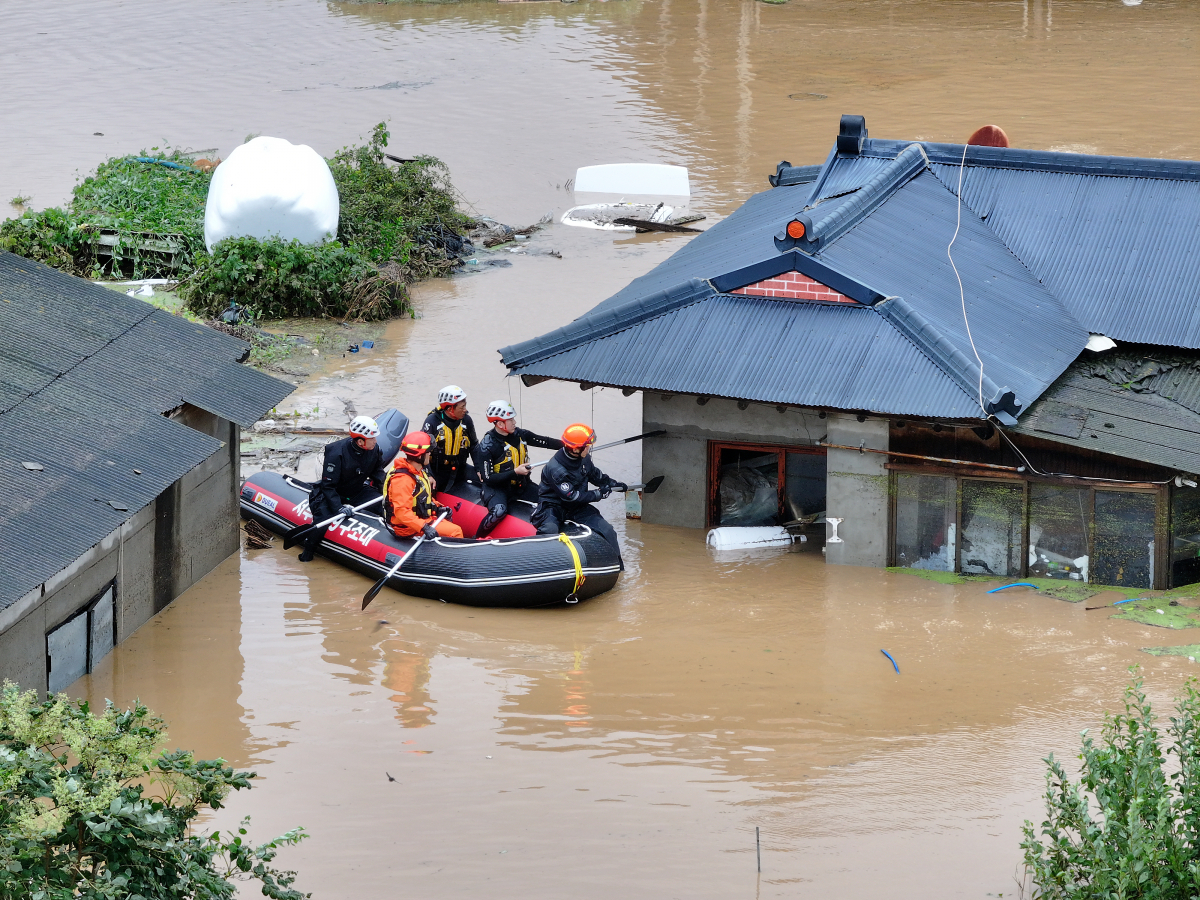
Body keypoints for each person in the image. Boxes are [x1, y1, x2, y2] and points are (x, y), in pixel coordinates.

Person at [531, 423, 626, 564]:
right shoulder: (556, 469)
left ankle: (617, 565)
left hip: (577, 507)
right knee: (550, 530)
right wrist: (599, 494)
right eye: (587, 446)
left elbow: (595, 475)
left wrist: (612, 483)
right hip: (554, 505)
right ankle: (542, 563)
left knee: (607, 530)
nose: (589, 448)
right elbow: (572, 497)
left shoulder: (584, 458)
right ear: (576, 449)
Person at [300, 415, 388, 562]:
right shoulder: (336, 453)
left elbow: (377, 472)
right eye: (372, 439)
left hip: (357, 490)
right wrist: (338, 507)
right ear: (360, 441)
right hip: (333, 493)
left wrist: (387, 489)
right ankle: (307, 552)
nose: (375, 441)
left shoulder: (374, 449)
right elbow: (328, 486)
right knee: (322, 521)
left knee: (385, 506)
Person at [475, 400, 563, 538]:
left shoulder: (520, 434)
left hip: (521, 485)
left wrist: (567, 445)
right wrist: (515, 472)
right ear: (500, 423)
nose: (514, 422)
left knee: (551, 498)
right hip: (497, 489)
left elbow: (544, 441)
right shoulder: (487, 445)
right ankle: (477, 538)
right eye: (511, 420)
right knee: (499, 511)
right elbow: (488, 478)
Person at [383, 431, 464, 540]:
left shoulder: (416, 471)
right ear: (419, 455)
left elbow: (422, 497)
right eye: (428, 452)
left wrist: (439, 507)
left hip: (419, 520)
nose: (430, 454)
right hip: (407, 528)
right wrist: (423, 527)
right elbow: (402, 512)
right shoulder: (403, 480)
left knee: (451, 524)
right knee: (456, 531)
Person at [421, 385, 482, 491]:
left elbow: (474, 446)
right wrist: (429, 475)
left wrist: (479, 469)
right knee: (428, 489)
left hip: (459, 469)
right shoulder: (432, 421)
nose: (465, 410)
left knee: (487, 480)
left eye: (465, 406)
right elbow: (422, 451)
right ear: (450, 409)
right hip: (437, 471)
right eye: (462, 407)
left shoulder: (466, 421)